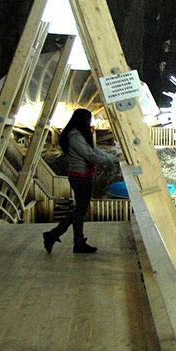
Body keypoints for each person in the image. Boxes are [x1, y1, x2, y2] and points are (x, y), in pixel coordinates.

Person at [43, 108, 119, 254]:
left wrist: (113, 158)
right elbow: (90, 155)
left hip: (83, 175)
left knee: (80, 210)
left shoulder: (78, 135)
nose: (90, 122)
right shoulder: (76, 137)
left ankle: (60, 237)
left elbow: (94, 150)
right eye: (88, 119)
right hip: (80, 176)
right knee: (80, 211)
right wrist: (113, 160)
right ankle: (67, 239)